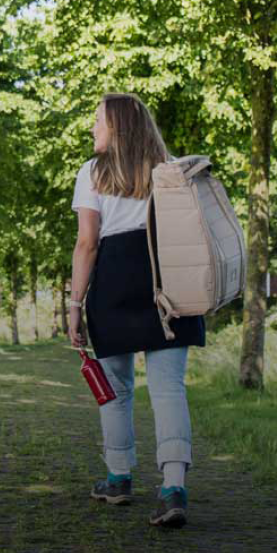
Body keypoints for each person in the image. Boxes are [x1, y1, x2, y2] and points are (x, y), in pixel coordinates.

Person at [68, 93, 204, 528]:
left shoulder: (91, 173)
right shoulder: (173, 169)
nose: (93, 128)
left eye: (98, 122)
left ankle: (119, 477)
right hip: (169, 279)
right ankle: (173, 487)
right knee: (168, 388)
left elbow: (87, 243)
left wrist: (74, 304)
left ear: (118, 128)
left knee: (115, 389)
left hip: (113, 279)